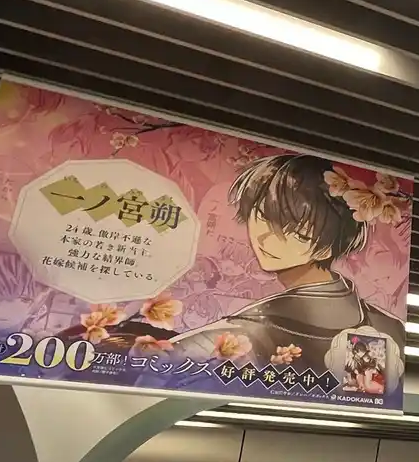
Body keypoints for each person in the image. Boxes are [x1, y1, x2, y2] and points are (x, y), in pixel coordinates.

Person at [171, 154, 405, 387]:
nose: (264, 237)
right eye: (262, 216)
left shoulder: (243, 332)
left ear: (327, 248)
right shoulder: (386, 326)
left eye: (293, 231)